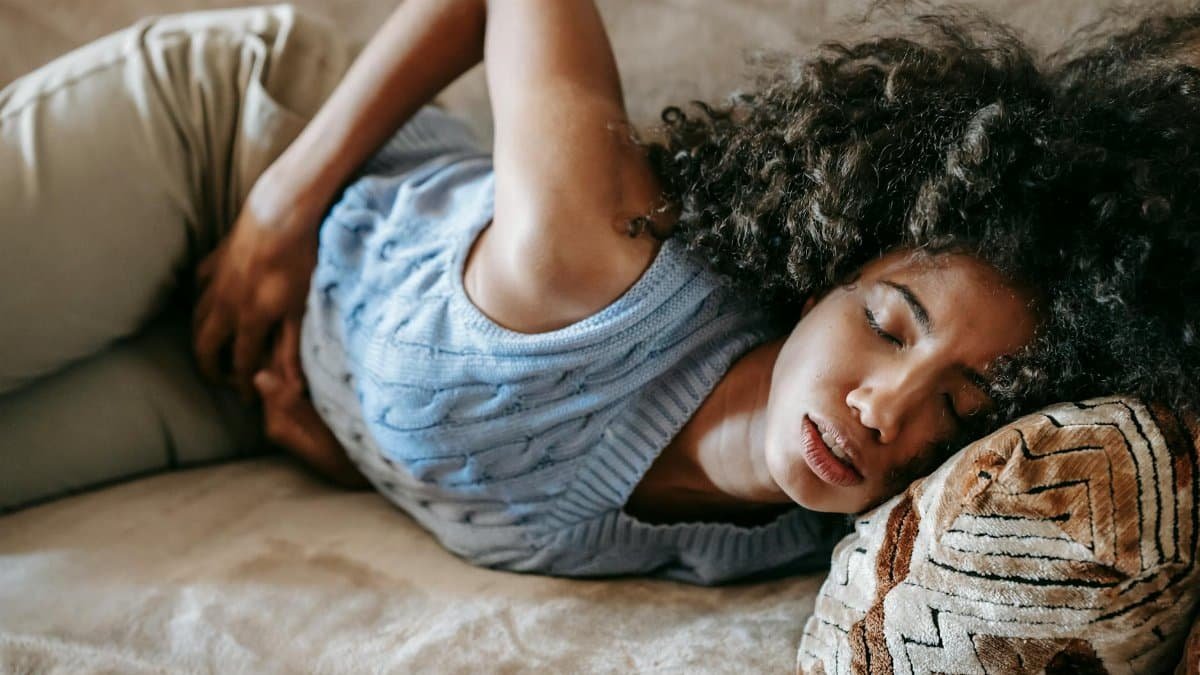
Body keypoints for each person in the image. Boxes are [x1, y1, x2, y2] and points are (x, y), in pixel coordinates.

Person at [1, 1, 1196, 585]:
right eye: (889, 325)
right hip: (233, 155)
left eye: (961, 408)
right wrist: (280, 203)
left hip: (238, 375)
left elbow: (504, 451)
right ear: (822, 274)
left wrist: (347, 448)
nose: (887, 407)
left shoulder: (786, 542)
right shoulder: (597, 250)